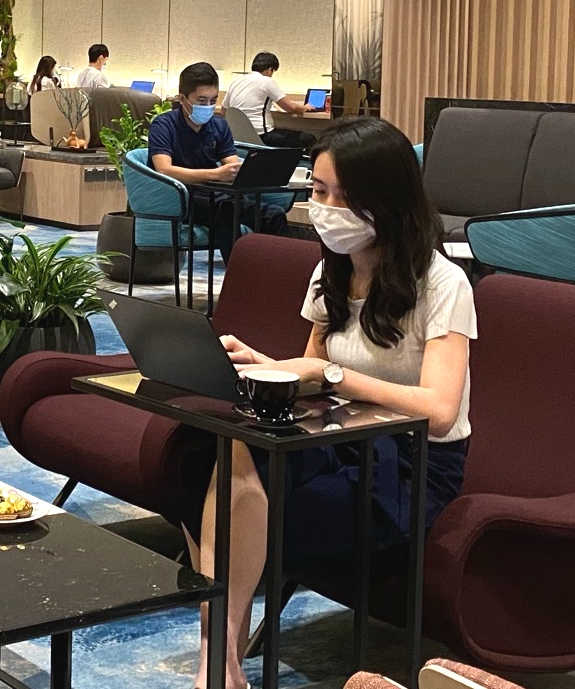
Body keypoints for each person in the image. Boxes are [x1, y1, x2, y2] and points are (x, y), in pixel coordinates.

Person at [191, 117, 474, 689]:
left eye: (343, 197)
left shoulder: (443, 284)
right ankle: (218, 660)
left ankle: (217, 663)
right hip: (340, 439)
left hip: (411, 466)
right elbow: (313, 378)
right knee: (224, 451)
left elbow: (440, 411)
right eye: (319, 191)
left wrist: (332, 374)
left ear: (385, 201)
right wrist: (266, 365)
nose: (325, 209)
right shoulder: (330, 272)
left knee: (246, 503)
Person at [148, 62, 288, 249]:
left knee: (273, 214)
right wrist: (216, 174)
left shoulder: (219, 126)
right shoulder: (164, 125)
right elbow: (164, 169)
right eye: (201, 101)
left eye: (213, 100)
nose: (208, 106)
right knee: (226, 210)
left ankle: (272, 267)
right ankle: (238, 267)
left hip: (218, 196)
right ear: (182, 99)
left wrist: (246, 171)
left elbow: (232, 166)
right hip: (181, 198)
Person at [224, 52, 315, 149]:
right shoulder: (266, 81)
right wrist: (305, 108)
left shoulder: (236, 82)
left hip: (237, 137)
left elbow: (224, 111)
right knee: (309, 139)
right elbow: (290, 107)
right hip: (262, 136)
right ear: (269, 70)